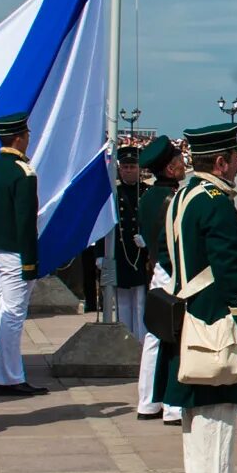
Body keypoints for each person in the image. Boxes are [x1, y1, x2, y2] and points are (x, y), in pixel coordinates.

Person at [158, 123, 237, 473]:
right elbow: (230, 270)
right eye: (235, 159)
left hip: (189, 307)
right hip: (215, 313)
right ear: (220, 161)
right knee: (218, 406)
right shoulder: (217, 203)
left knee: (196, 409)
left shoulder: (184, 196)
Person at [0, 112, 45, 397]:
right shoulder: (22, 172)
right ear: (20, 138)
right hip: (15, 252)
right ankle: (9, 377)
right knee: (13, 315)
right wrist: (30, 261)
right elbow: (26, 221)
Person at [134, 135, 183, 423]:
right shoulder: (173, 198)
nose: (183, 164)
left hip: (157, 270)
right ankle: (173, 405)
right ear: (169, 169)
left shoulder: (147, 197)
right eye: (178, 162)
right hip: (173, 271)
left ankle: (148, 401)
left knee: (154, 337)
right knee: (175, 337)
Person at [109, 143, 150, 349]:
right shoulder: (114, 193)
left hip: (141, 254)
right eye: (125, 167)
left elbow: (155, 223)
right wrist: (101, 254)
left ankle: (141, 341)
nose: (128, 170)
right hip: (121, 251)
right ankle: (126, 340)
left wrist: (148, 240)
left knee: (141, 301)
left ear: (139, 168)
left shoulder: (146, 192)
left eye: (132, 167)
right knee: (123, 302)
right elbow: (105, 225)